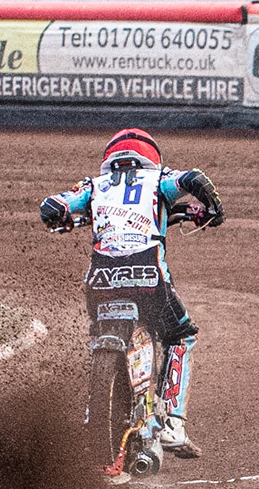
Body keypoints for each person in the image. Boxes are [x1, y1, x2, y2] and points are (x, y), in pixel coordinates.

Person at [40, 128, 224, 465]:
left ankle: (90, 415)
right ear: (151, 157)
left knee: (98, 336)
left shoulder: (94, 186)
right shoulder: (159, 180)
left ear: (110, 158)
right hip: (148, 278)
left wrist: (60, 216)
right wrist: (212, 207)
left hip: (100, 280)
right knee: (181, 336)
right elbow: (195, 179)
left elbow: (52, 205)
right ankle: (172, 422)